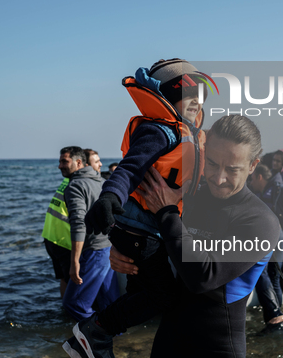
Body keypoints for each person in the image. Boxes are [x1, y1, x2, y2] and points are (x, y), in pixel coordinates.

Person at [65, 115, 281, 358]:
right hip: (168, 340)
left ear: (253, 165)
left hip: (217, 348)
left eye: (232, 170)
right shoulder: (189, 197)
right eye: (211, 163)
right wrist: (124, 249)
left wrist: (166, 213)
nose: (219, 178)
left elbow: (202, 277)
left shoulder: (261, 222)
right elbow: (156, 238)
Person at [63, 59, 207, 357]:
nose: (195, 100)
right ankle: (95, 332)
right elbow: (129, 168)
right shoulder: (160, 132)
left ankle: (99, 339)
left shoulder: (189, 135)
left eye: (199, 93)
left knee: (143, 292)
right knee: (163, 296)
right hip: (139, 231)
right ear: (166, 97)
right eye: (186, 92)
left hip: (147, 232)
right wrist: (110, 196)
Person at [59, 146, 118, 321]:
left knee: (73, 304)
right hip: (109, 249)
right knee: (110, 303)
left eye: (64, 161)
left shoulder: (75, 186)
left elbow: (78, 224)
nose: (60, 166)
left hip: (93, 251)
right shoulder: (101, 181)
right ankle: (119, 341)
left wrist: (74, 261)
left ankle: (98, 337)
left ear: (78, 162)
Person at [249, 164, 283, 323]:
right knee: (276, 272)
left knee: (277, 272)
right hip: (272, 238)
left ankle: (281, 312)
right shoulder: (263, 193)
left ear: (260, 177)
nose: (250, 183)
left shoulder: (281, 190)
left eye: (252, 179)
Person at [42, 160, 72, 298]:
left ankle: (65, 310)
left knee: (64, 278)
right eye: (96, 161)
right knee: (73, 280)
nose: (100, 164)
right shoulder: (77, 183)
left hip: (50, 237)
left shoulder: (67, 181)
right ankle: (73, 314)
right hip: (64, 241)